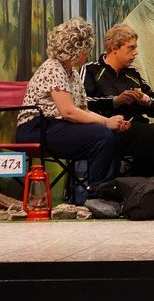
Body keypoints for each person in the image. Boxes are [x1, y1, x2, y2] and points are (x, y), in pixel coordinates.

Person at [16, 17, 129, 203]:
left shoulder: (73, 74)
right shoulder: (53, 68)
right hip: (35, 127)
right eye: (86, 49)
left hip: (56, 126)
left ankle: (107, 193)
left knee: (111, 136)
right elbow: (68, 111)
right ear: (76, 49)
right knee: (102, 136)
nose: (88, 53)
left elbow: (83, 110)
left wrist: (110, 123)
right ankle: (94, 196)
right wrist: (105, 122)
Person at [82, 24, 154, 177]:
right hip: (108, 127)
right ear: (114, 48)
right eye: (131, 48)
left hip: (136, 126)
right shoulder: (91, 70)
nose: (136, 53)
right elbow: (83, 102)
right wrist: (115, 101)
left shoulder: (133, 73)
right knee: (150, 133)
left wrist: (145, 101)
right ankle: (138, 181)